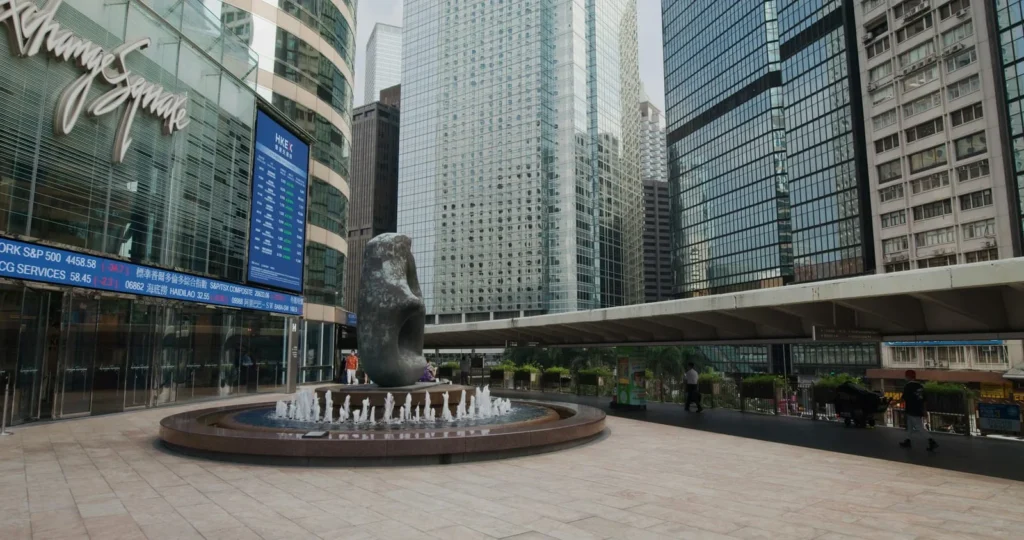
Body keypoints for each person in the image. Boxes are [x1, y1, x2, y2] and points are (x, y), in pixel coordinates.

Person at [899, 370, 938, 451]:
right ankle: (908, 440)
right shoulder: (920, 386)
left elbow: (903, 398)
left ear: (908, 377)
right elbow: (924, 400)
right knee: (910, 426)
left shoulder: (908, 386)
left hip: (911, 409)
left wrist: (893, 402)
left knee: (919, 427)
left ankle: (931, 441)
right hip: (919, 409)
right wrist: (924, 410)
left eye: (906, 376)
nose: (905, 377)